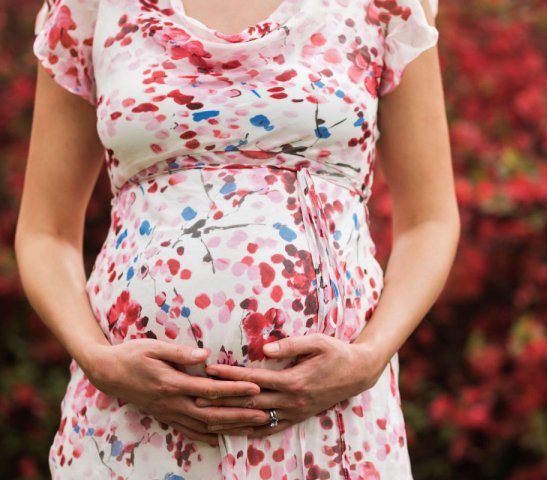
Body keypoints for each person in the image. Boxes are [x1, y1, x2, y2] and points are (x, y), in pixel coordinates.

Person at [15, 0, 459, 477]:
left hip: (332, 429)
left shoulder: (383, 7)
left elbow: (429, 221)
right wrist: (99, 361)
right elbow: (47, 232)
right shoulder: (91, 8)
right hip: (132, 427)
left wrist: (368, 358)